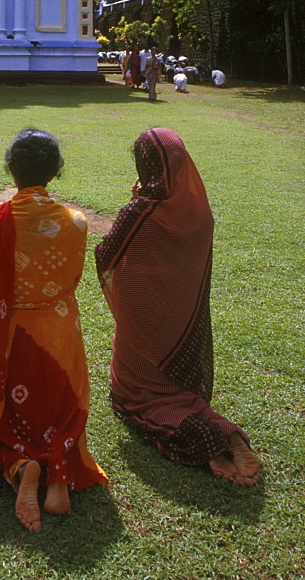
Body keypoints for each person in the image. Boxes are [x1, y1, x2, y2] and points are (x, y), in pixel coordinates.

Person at [95, 128, 261, 486]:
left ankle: (210, 443)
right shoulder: (199, 212)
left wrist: (134, 204)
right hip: (183, 317)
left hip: (145, 319)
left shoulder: (141, 211)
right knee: (183, 394)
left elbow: (106, 254)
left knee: (133, 397)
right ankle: (226, 432)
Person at [0, 129, 108, 532]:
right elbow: (75, 274)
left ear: (12, 169)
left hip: (14, 336)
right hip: (61, 332)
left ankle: (21, 464)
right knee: (63, 406)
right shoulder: (77, 222)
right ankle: (59, 474)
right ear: (54, 172)